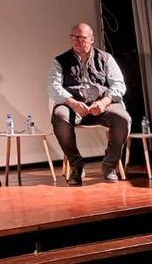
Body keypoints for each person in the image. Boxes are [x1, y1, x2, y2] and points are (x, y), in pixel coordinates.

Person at [47, 23, 131, 186]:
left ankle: (109, 165)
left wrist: (105, 101)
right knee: (59, 117)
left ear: (91, 39)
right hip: (74, 106)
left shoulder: (106, 58)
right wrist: (72, 102)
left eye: (82, 38)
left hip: (101, 105)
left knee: (123, 119)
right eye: (74, 38)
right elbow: (53, 86)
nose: (78, 41)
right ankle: (76, 165)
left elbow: (119, 84)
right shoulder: (60, 61)